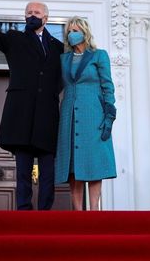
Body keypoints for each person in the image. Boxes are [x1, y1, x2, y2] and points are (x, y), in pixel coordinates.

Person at [0, 0, 63, 210]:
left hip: (47, 117)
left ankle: (45, 214)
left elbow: (63, 76)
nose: (32, 16)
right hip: (21, 116)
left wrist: (52, 93)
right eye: (29, 13)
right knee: (22, 172)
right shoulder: (14, 39)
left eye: (36, 13)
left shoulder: (59, 47)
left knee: (48, 174)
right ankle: (23, 213)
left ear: (46, 18)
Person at [54, 16, 116, 210]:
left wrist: (109, 115)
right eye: (69, 32)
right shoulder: (64, 59)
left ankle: (94, 210)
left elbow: (108, 86)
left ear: (85, 32)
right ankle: (78, 212)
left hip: (93, 115)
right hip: (69, 116)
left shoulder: (99, 55)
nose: (72, 34)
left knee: (94, 162)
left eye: (76, 30)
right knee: (73, 165)